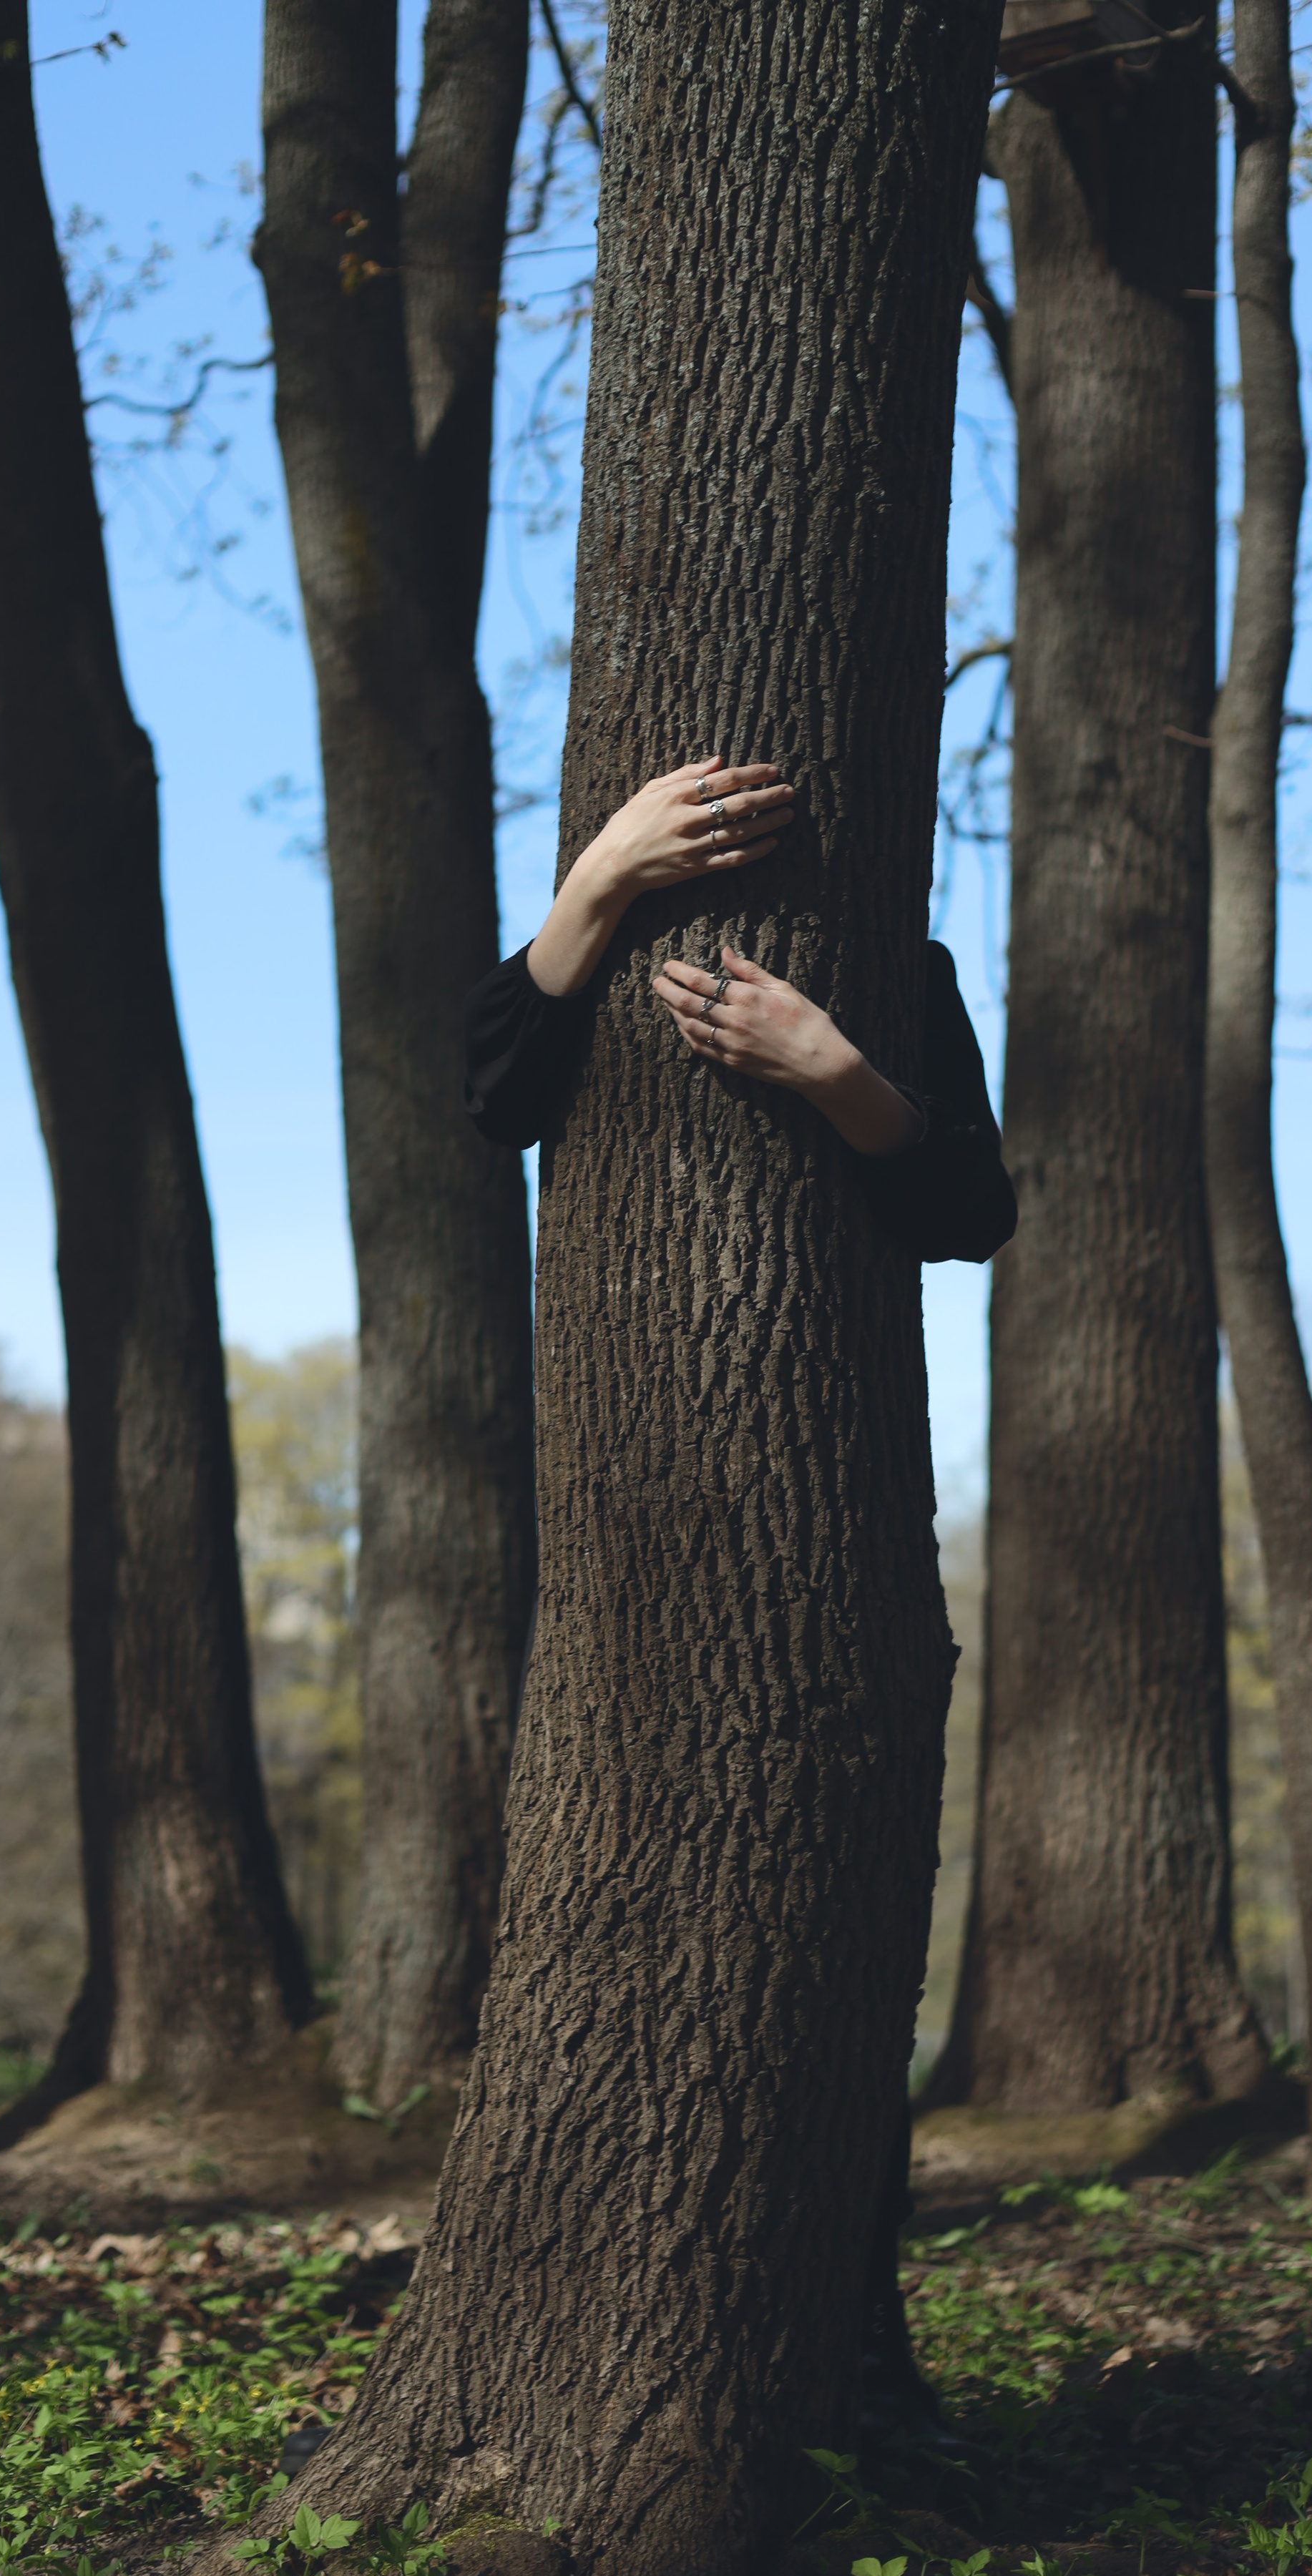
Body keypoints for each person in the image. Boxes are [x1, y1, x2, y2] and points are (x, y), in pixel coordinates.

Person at [463, 755, 1017, 2453]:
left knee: (806, 1958)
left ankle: (827, 2373)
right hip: (618, 1547)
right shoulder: (593, 950)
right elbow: (489, 1091)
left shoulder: (897, 970)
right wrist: (601, 877)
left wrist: (830, 1070)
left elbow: (968, 1206)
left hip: (824, 1545)